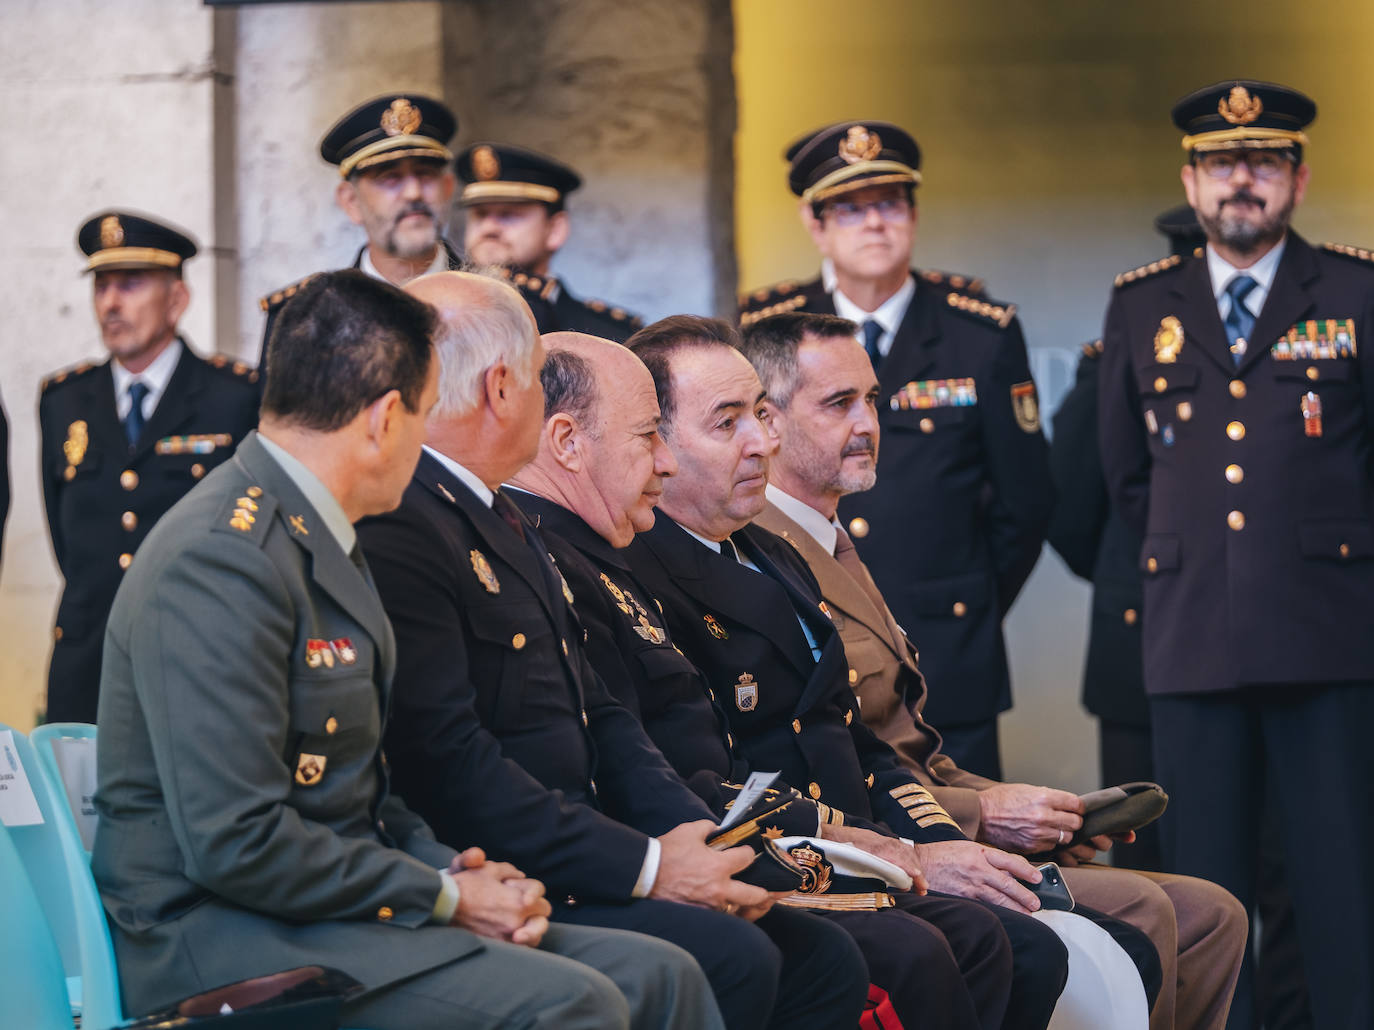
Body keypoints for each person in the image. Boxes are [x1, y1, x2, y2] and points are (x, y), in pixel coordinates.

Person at [93, 269, 717, 1030]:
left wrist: (454, 870)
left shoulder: (321, 535)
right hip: (213, 934)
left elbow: (358, 791)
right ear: (389, 418)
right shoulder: (223, 557)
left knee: (660, 973)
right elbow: (238, 843)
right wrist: (443, 896)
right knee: (573, 1002)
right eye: (425, 414)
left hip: (330, 906)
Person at [356, 271, 868, 1030]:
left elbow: (605, 719)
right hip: (513, 866)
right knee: (738, 957)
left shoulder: (503, 518)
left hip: (582, 847)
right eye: (536, 381)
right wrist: (652, 867)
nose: (663, 461)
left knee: (819, 956)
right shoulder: (406, 523)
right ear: (504, 389)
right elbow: (444, 756)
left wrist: (703, 845)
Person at [512, 331, 1033, 1030]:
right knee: (917, 951)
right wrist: (849, 848)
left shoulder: (769, 553)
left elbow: (857, 737)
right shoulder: (589, 561)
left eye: (762, 415)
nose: (762, 443)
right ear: (570, 443)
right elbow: (663, 759)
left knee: (1017, 942)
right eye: (727, 423)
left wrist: (925, 839)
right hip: (730, 846)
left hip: (800, 838)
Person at [743, 310, 1247, 1030]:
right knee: (1151, 910)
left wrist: (1041, 814)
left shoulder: (829, 539)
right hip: (880, 840)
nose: (868, 423)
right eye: (838, 404)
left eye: (873, 401)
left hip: (928, 810)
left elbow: (912, 747)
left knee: (1214, 914)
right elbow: (842, 765)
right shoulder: (764, 551)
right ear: (771, 420)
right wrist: (987, 816)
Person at [1097, 79, 1374, 1030]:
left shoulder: (1354, 289)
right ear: (1191, 179)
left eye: (1261, 162)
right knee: (1205, 896)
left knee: (1341, 890)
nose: (1241, 181)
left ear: (1297, 178)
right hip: (1193, 643)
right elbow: (1126, 480)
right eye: (1221, 164)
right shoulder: (1142, 303)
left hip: (1329, 640)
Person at [740, 121, 1052, 779]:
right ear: (815, 222)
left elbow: (1025, 502)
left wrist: (964, 597)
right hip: (810, 642)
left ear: (912, 214)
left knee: (980, 847)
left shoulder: (980, 332)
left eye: (889, 203)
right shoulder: (766, 329)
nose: (873, 223)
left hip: (946, 645)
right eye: (850, 207)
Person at [39, 211, 259, 722]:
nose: (112, 303)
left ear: (177, 299)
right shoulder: (63, 401)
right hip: (87, 667)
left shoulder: (235, 397)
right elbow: (65, 538)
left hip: (198, 662)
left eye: (131, 284)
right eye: (102, 286)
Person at [1048, 206, 1205, 875]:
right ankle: (1165, 986)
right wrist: (1132, 569)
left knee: (1280, 852)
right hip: (1139, 629)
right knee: (1150, 855)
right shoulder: (1118, 358)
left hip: (1264, 643)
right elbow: (1070, 502)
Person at [259, 93, 464, 348]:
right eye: (390, 178)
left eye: (425, 174)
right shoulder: (303, 319)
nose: (413, 192)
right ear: (351, 202)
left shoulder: (504, 299)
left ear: (447, 188)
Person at [456, 142, 643, 341]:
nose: (489, 228)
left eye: (508, 214)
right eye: (480, 214)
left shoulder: (608, 336)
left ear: (555, 229)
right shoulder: (435, 312)